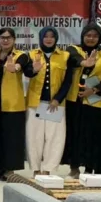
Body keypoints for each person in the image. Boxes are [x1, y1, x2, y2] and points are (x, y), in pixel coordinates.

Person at [62, 23, 101, 179]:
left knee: (92, 135)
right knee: (74, 134)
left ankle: (90, 168)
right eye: (88, 35)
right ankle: (74, 167)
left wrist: (94, 89)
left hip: (94, 100)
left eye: (95, 36)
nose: (91, 39)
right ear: (83, 36)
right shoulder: (73, 50)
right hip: (74, 100)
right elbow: (73, 59)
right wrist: (84, 63)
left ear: (100, 38)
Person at [25, 27, 74, 176]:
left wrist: (58, 99)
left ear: (56, 38)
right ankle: (36, 169)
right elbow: (27, 73)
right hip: (35, 103)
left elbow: (68, 81)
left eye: (52, 36)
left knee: (54, 138)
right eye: (45, 36)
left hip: (55, 104)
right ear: (41, 38)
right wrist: (34, 70)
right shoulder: (32, 54)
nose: (48, 39)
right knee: (34, 137)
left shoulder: (65, 56)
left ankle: (48, 169)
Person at [0, 28, 31, 180]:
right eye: (2, 37)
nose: (5, 40)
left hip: (13, 103)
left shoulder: (21, 55)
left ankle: (10, 169)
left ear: (14, 39)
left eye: (8, 38)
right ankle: (0, 167)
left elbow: (20, 65)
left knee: (12, 138)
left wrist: (15, 67)